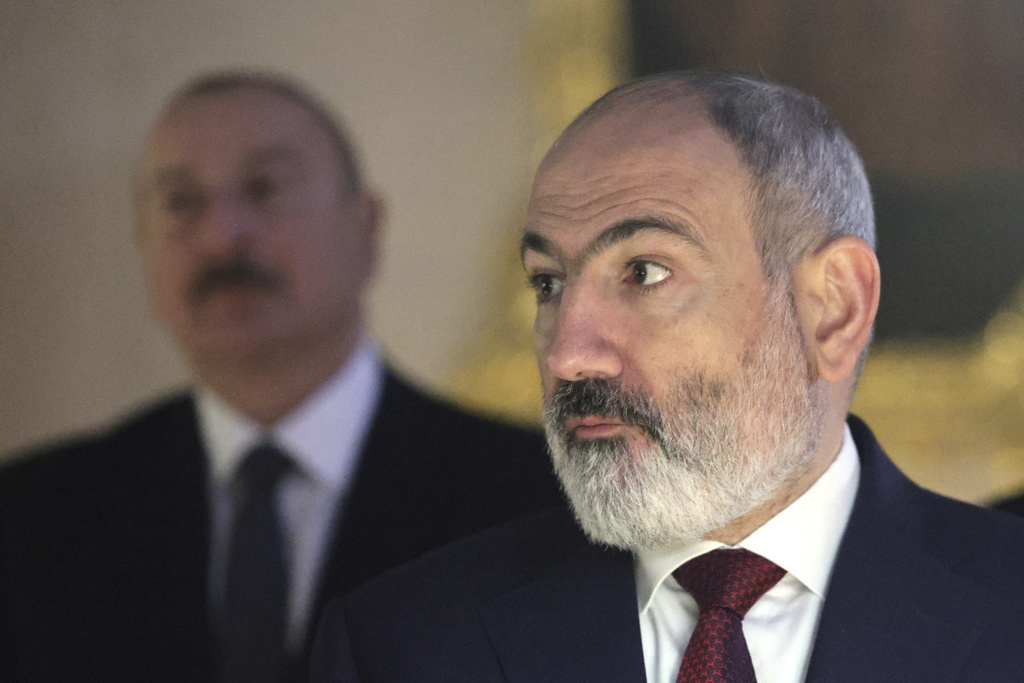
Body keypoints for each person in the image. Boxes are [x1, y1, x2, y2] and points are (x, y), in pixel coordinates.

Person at [311, 71, 1024, 682]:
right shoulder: (401, 646)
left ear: (833, 309)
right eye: (549, 284)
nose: (567, 354)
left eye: (644, 272)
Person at [0, 71, 564, 683]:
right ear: (143, 247)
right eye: (182, 203)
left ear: (365, 228)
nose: (222, 237)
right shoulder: (35, 518)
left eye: (264, 188)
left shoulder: (534, 501)